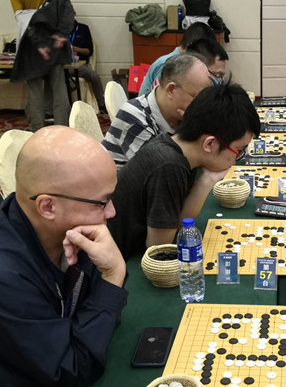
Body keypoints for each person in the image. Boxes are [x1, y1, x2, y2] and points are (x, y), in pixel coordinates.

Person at [0, 126, 128, 387]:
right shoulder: (2, 276)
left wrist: (44, 378)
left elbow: (103, 315)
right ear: (48, 206)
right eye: (102, 202)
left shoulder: (68, 227)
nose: (111, 212)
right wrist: (113, 275)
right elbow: (74, 368)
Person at [108, 83, 260, 261]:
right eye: (239, 151)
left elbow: (179, 222)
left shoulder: (178, 149)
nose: (237, 158)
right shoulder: (168, 165)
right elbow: (159, 247)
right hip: (112, 263)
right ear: (209, 144)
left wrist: (208, 179)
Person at [102, 54, 211, 169]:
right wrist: (192, 128)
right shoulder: (134, 116)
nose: (203, 104)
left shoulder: (179, 115)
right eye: (198, 97)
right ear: (171, 90)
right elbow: (164, 169)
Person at [10, 0, 74, 132]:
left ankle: (37, 131)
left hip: (32, 48)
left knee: (35, 93)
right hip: (55, 45)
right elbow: (67, 11)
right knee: (59, 90)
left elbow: (25, 21)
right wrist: (62, 34)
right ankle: (62, 130)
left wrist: (39, 43)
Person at [138, 21, 216, 96]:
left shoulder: (183, 62)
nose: (204, 59)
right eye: (204, 52)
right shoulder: (167, 64)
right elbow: (163, 99)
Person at [69, 11, 107, 113]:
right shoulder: (59, 30)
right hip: (64, 65)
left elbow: (89, 51)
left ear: (74, 14)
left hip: (79, 65)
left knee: (93, 76)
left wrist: (74, 49)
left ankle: (101, 104)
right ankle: (52, 110)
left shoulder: (83, 29)